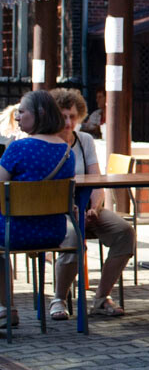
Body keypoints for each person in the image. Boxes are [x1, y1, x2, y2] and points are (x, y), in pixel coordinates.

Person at [48, 88, 132, 320]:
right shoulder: (46, 143)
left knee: (124, 232)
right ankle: (59, 298)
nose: (68, 122)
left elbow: (96, 181)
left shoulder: (84, 140)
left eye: (72, 117)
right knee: (74, 237)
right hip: (58, 211)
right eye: (63, 116)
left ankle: (101, 297)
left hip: (86, 208)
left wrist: (95, 208)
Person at [0, 91, 75, 328]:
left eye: (22, 111)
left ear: (40, 113)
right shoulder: (67, 152)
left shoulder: (18, 148)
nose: (18, 116)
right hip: (53, 232)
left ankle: (5, 309)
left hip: (16, 232)